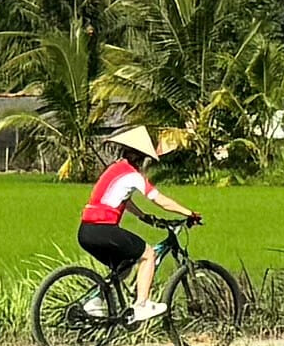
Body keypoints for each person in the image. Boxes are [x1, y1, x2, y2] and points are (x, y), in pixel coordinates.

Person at [79, 122, 202, 324]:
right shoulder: (133, 175)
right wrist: (188, 213)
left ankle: (96, 301)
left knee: (125, 265)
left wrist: (143, 216)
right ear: (139, 156)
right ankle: (142, 304)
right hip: (104, 230)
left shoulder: (114, 170)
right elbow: (160, 200)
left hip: (86, 232)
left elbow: (123, 199)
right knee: (148, 255)